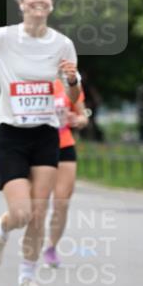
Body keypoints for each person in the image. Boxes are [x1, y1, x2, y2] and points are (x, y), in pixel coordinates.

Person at [0, 0, 81, 286]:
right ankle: (3, 228)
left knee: (38, 211)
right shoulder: (2, 38)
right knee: (21, 212)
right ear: (21, 3)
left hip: (46, 134)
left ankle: (27, 282)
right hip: (11, 135)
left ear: (51, 4)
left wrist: (72, 79)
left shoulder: (62, 43)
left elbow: (74, 94)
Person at [42, 78, 89, 267]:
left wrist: (78, 119)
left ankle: (51, 247)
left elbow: (83, 115)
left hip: (64, 145)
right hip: (36, 147)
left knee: (61, 202)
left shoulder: (67, 82)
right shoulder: (31, 77)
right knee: (36, 203)